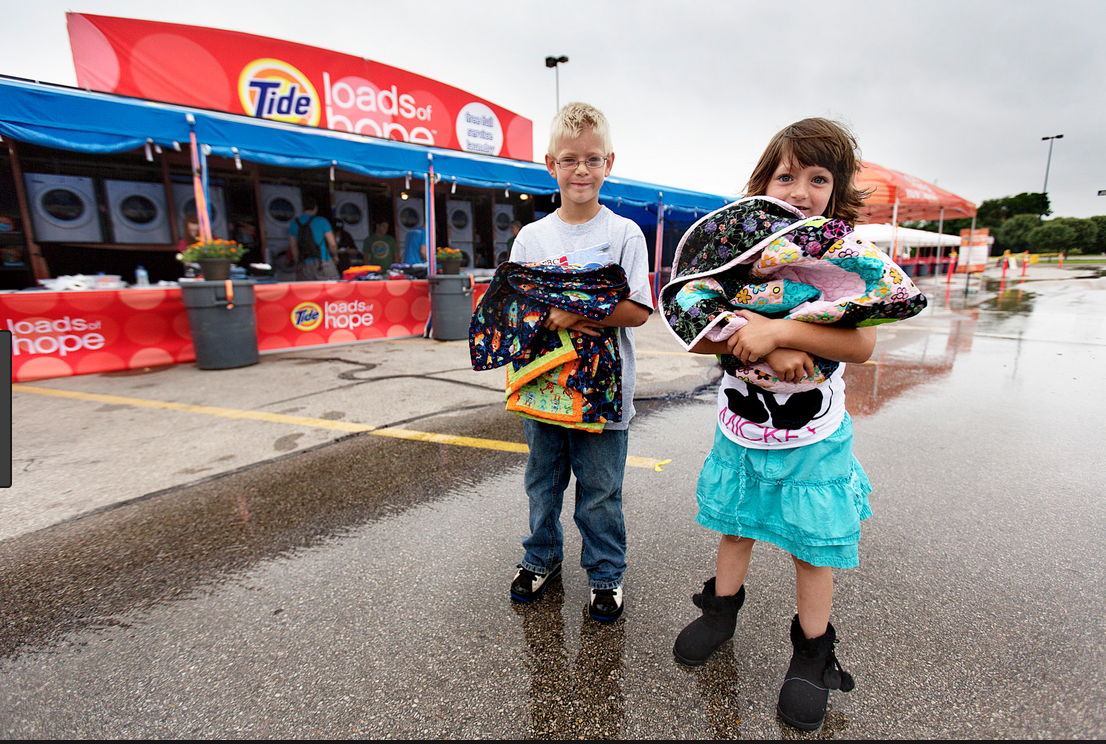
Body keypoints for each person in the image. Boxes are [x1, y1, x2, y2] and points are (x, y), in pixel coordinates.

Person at [664, 118, 925, 731]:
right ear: (763, 183)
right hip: (744, 427)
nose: (800, 190)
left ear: (836, 196)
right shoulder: (735, 258)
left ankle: (812, 653)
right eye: (787, 175)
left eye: (818, 178)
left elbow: (858, 345)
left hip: (815, 440)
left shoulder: (841, 262)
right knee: (735, 524)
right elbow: (696, 332)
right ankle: (721, 611)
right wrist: (756, 347)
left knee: (812, 547)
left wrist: (781, 330)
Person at [505, 102, 652, 623]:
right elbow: (515, 306)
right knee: (542, 483)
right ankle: (540, 557)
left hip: (604, 392)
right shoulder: (533, 238)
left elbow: (637, 310)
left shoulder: (625, 234)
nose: (581, 170)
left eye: (592, 159)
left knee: (600, 491)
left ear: (609, 162)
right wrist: (559, 315)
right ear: (551, 164)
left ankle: (606, 575)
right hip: (545, 385)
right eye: (569, 160)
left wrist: (573, 308)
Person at [288, 195, 340, 281]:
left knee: (308, 291)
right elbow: (332, 243)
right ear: (315, 207)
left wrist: (298, 262)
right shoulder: (322, 221)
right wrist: (335, 256)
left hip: (304, 263)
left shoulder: (294, 223)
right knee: (334, 288)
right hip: (323, 261)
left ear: (302, 207)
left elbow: (293, 245)